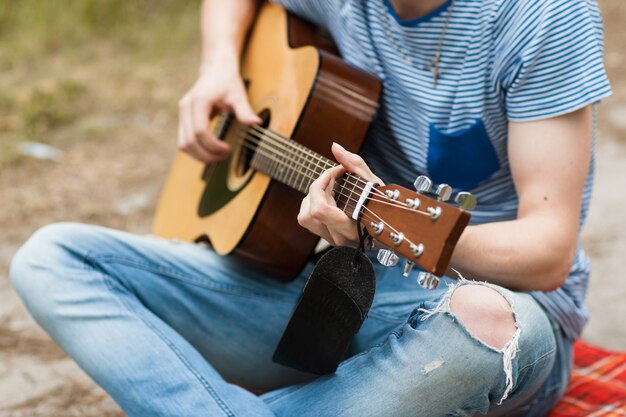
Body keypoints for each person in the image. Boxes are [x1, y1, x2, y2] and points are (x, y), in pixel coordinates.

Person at [10, 0, 612, 415]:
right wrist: (218, 64)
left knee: (487, 322)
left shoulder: (541, 17)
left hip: (486, 315)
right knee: (51, 258)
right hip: (338, 294)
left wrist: (383, 222)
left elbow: (548, 251)